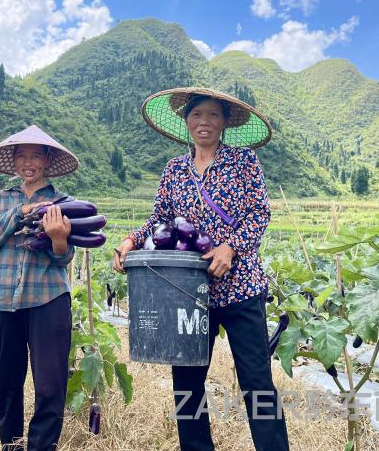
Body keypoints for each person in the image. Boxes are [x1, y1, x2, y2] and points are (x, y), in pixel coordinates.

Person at [113, 87, 289, 451]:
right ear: (186, 121)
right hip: (188, 292)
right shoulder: (175, 169)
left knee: (256, 381)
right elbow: (161, 218)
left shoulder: (242, 162)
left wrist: (231, 247)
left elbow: (260, 213)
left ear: (225, 122)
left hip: (240, 288)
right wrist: (131, 240)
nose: (204, 122)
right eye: (197, 115)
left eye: (212, 115)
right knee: (188, 383)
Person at [0, 124, 78, 451]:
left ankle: (41, 446)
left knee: (50, 385)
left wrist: (59, 240)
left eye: (36, 156)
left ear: (47, 160)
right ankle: (12, 444)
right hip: (0, 297)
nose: (29, 163)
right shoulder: (0, 199)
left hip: (48, 298)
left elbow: (65, 258)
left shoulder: (63, 203)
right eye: (23, 157)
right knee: (5, 382)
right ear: (14, 162)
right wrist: (18, 215)